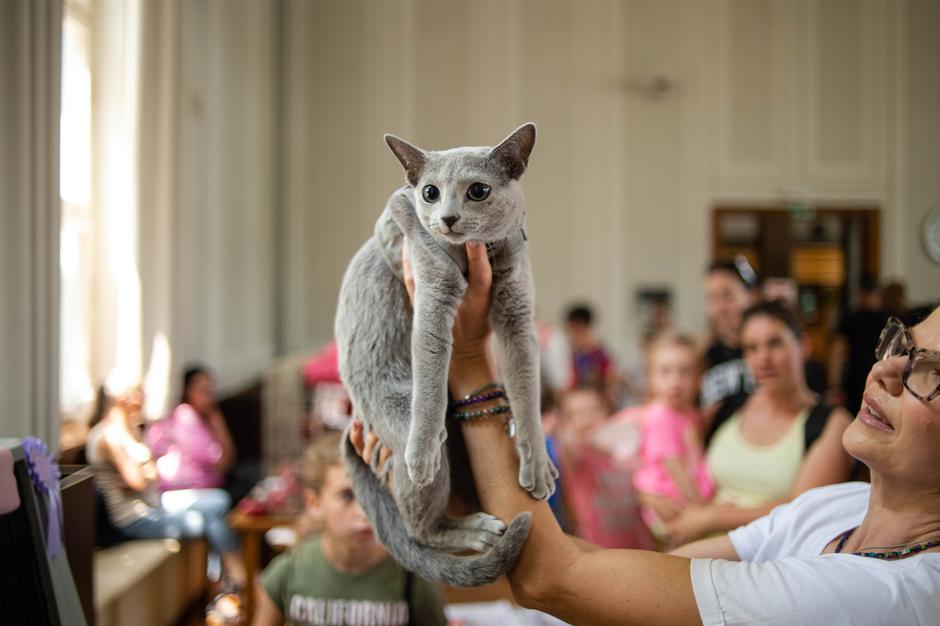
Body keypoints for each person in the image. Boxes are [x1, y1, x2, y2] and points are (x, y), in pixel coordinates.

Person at [354, 241, 940, 624]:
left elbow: (552, 578)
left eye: (929, 372)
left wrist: (469, 357)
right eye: (902, 344)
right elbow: (591, 568)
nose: (887, 368)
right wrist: (455, 512)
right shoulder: (836, 508)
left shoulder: (884, 596)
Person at [664, 301, 854, 545]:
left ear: (803, 346)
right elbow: (678, 457)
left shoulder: (831, 422)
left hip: (772, 556)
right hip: (701, 542)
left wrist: (711, 518)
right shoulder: (731, 406)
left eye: (775, 344)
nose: (763, 358)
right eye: (751, 348)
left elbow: (802, 510)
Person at [253, 430, 447, 626]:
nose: (365, 512)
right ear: (314, 503)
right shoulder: (289, 571)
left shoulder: (412, 578)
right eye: (347, 495)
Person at [85, 375, 247, 592]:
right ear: (122, 398)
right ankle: (233, 579)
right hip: (132, 518)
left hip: (153, 503)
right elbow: (139, 481)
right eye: (138, 393)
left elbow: (151, 474)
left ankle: (225, 582)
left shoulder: (129, 430)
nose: (143, 399)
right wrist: (142, 474)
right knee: (205, 520)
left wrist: (142, 473)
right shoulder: (108, 437)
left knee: (219, 501)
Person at [632, 334, 713, 543]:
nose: (675, 381)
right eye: (665, 372)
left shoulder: (686, 413)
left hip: (687, 501)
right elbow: (676, 469)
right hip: (671, 507)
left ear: (699, 377)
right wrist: (706, 510)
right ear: (650, 377)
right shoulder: (661, 417)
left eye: (685, 372)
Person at [556, 385, 652, 549]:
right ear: (567, 422)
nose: (587, 418)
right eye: (577, 414)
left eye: (593, 410)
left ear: (607, 413)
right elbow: (567, 443)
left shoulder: (621, 450)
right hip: (600, 549)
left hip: (638, 543)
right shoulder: (578, 455)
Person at [147, 366, 236, 493]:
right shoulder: (186, 416)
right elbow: (222, 464)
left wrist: (217, 421)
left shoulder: (203, 417)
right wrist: (217, 422)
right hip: (186, 490)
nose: (209, 396)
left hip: (204, 488)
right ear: (188, 391)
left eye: (211, 390)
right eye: (203, 391)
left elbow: (227, 463)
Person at [700, 259, 756, 412]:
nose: (720, 308)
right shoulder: (703, 361)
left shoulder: (771, 355)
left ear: (751, 296)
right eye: (712, 298)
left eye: (728, 296)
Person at [828, 273, 889, 413]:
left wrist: (834, 386)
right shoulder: (889, 320)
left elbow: (836, 353)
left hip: (856, 380)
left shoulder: (851, 319)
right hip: (882, 379)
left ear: (861, 293)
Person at [564, 303, 619, 406]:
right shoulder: (573, 353)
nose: (571, 334)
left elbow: (611, 380)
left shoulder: (600, 354)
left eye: (573, 329)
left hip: (595, 403)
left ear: (582, 326)